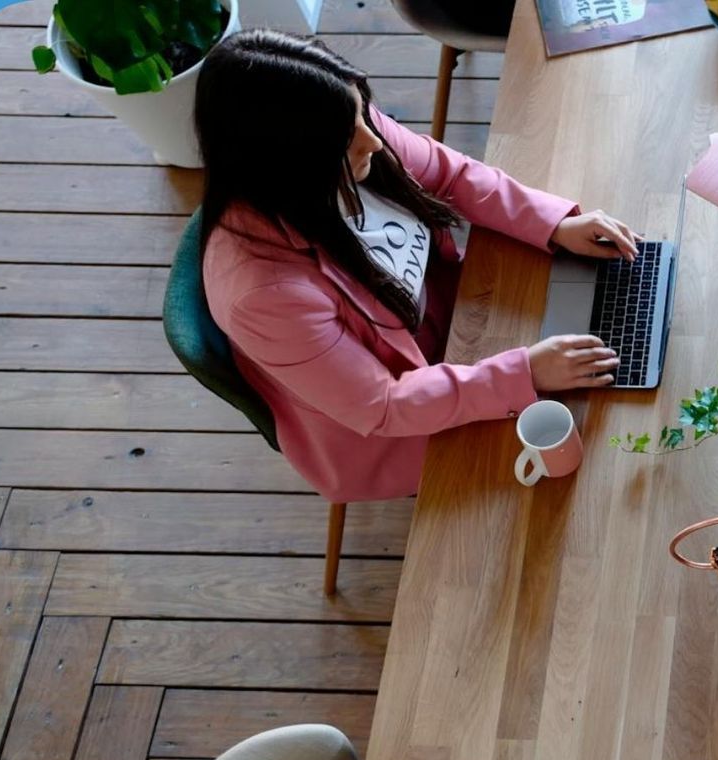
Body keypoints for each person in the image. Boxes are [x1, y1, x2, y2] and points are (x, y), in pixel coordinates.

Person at [196, 30, 644, 503]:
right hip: (393, 426)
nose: (374, 138)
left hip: (459, 322)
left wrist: (553, 224)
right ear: (288, 161)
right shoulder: (263, 296)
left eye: (363, 113)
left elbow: (450, 175)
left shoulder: (346, 130)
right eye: (349, 138)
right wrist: (523, 373)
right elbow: (385, 405)